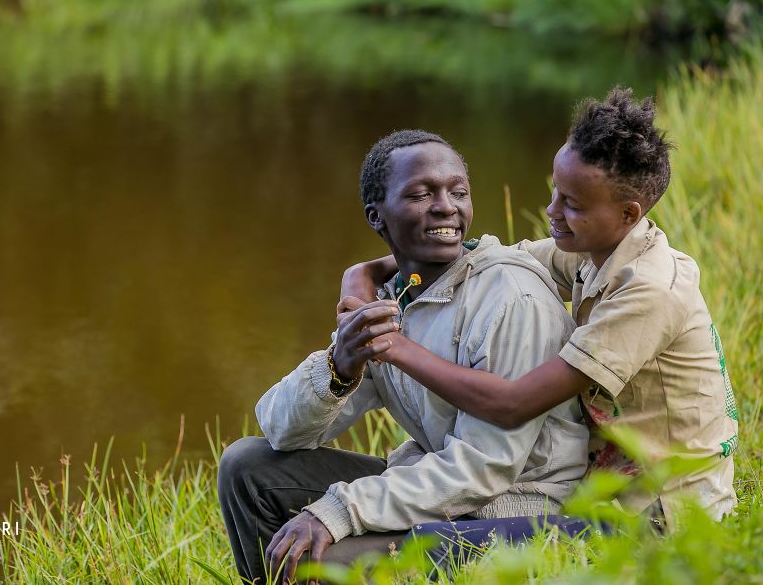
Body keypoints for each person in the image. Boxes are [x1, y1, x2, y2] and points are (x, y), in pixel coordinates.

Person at [340, 88, 738, 531]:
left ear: (629, 213)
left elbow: (513, 404)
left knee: (417, 546)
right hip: (603, 485)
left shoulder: (650, 290)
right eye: (555, 191)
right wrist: (365, 273)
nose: (552, 210)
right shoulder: (592, 248)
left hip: (662, 510)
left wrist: (393, 347)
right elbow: (471, 255)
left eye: (572, 204)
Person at [218, 129, 589, 584]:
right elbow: (279, 430)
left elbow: (484, 468)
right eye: (421, 194)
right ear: (377, 216)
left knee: (326, 563)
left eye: (458, 192)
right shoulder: (394, 301)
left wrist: (340, 511)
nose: (446, 206)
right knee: (246, 466)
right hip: (453, 495)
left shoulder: (512, 298)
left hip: (525, 510)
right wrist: (341, 364)